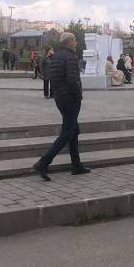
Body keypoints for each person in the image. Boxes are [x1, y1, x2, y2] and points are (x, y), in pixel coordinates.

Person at [33, 32, 90, 181]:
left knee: (73, 130)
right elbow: (72, 80)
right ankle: (43, 162)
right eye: (75, 40)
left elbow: (53, 78)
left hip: (60, 97)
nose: (76, 43)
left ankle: (76, 165)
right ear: (70, 41)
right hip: (70, 99)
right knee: (67, 132)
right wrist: (79, 95)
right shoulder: (70, 57)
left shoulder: (56, 56)